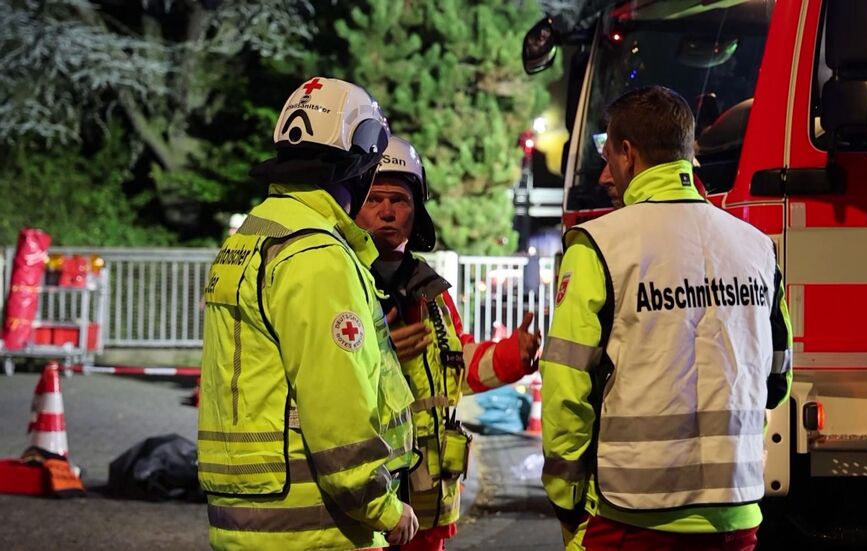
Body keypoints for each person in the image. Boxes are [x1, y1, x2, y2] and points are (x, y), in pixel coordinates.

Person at [540, 85, 792, 551]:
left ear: (628, 153)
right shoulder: (758, 247)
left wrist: (566, 496)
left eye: (609, 154)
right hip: (735, 513)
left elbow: (566, 387)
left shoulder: (600, 245)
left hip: (632, 513)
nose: (606, 171)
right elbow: (778, 378)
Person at [197, 77, 419, 550]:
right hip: (315, 528)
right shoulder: (317, 256)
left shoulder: (251, 239)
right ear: (359, 163)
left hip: (247, 521)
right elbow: (335, 403)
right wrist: (382, 505)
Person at [355, 136, 542, 551]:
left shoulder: (432, 292)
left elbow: (458, 364)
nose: (387, 211)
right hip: (367, 501)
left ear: (416, 211)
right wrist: (380, 352)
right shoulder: (341, 281)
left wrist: (516, 353)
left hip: (427, 502)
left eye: (399, 200)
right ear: (355, 207)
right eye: (374, 199)